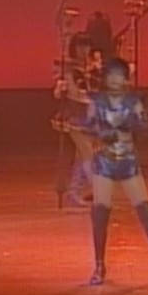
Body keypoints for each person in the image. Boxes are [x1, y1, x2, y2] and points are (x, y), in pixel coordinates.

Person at [81, 57, 148, 285]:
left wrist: (134, 124)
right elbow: (89, 126)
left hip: (128, 161)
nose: (116, 79)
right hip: (105, 161)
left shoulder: (134, 101)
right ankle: (99, 265)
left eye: (120, 75)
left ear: (126, 78)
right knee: (100, 212)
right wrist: (101, 133)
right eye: (111, 75)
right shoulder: (97, 101)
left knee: (145, 209)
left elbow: (144, 125)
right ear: (105, 77)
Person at [52, 32, 98, 207]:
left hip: (89, 112)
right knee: (88, 154)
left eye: (86, 46)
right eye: (80, 46)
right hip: (73, 114)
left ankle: (74, 192)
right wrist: (60, 88)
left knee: (82, 156)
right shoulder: (67, 68)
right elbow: (58, 94)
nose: (84, 50)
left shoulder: (91, 66)